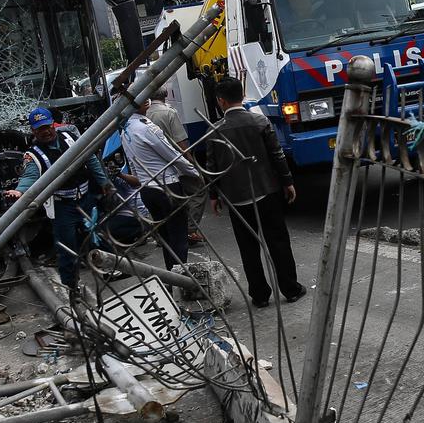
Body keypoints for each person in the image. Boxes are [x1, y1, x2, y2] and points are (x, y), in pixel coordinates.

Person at [205, 77, 306, 308]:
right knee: (278, 242)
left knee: (248, 248)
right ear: (242, 95)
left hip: (236, 198)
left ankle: (259, 295)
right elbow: (277, 155)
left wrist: (214, 196)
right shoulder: (260, 121)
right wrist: (288, 182)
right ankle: (290, 288)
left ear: (221, 101)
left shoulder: (214, 131)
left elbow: (212, 168)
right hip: (266, 191)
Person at [5, 107, 112, 286]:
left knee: (97, 236)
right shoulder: (33, 155)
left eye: (47, 127)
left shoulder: (70, 138)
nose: (45, 132)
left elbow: (91, 159)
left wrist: (104, 183)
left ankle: (111, 269)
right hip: (63, 206)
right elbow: (30, 176)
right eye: (40, 129)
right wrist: (19, 191)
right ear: (33, 131)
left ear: (53, 125)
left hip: (85, 199)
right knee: (67, 247)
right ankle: (72, 286)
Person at [119, 98, 200, 270]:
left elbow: (133, 165)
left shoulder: (126, 130)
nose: (146, 100)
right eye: (141, 98)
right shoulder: (146, 128)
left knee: (167, 238)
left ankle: (172, 276)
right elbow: (172, 156)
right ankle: (181, 278)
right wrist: (195, 172)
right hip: (166, 186)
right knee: (178, 237)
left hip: (148, 189)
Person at [146, 87, 205, 246]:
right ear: (166, 95)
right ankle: (190, 230)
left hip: (154, 166)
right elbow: (181, 142)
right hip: (175, 162)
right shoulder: (169, 112)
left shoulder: (145, 114)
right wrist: (191, 162)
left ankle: (164, 234)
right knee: (199, 189)